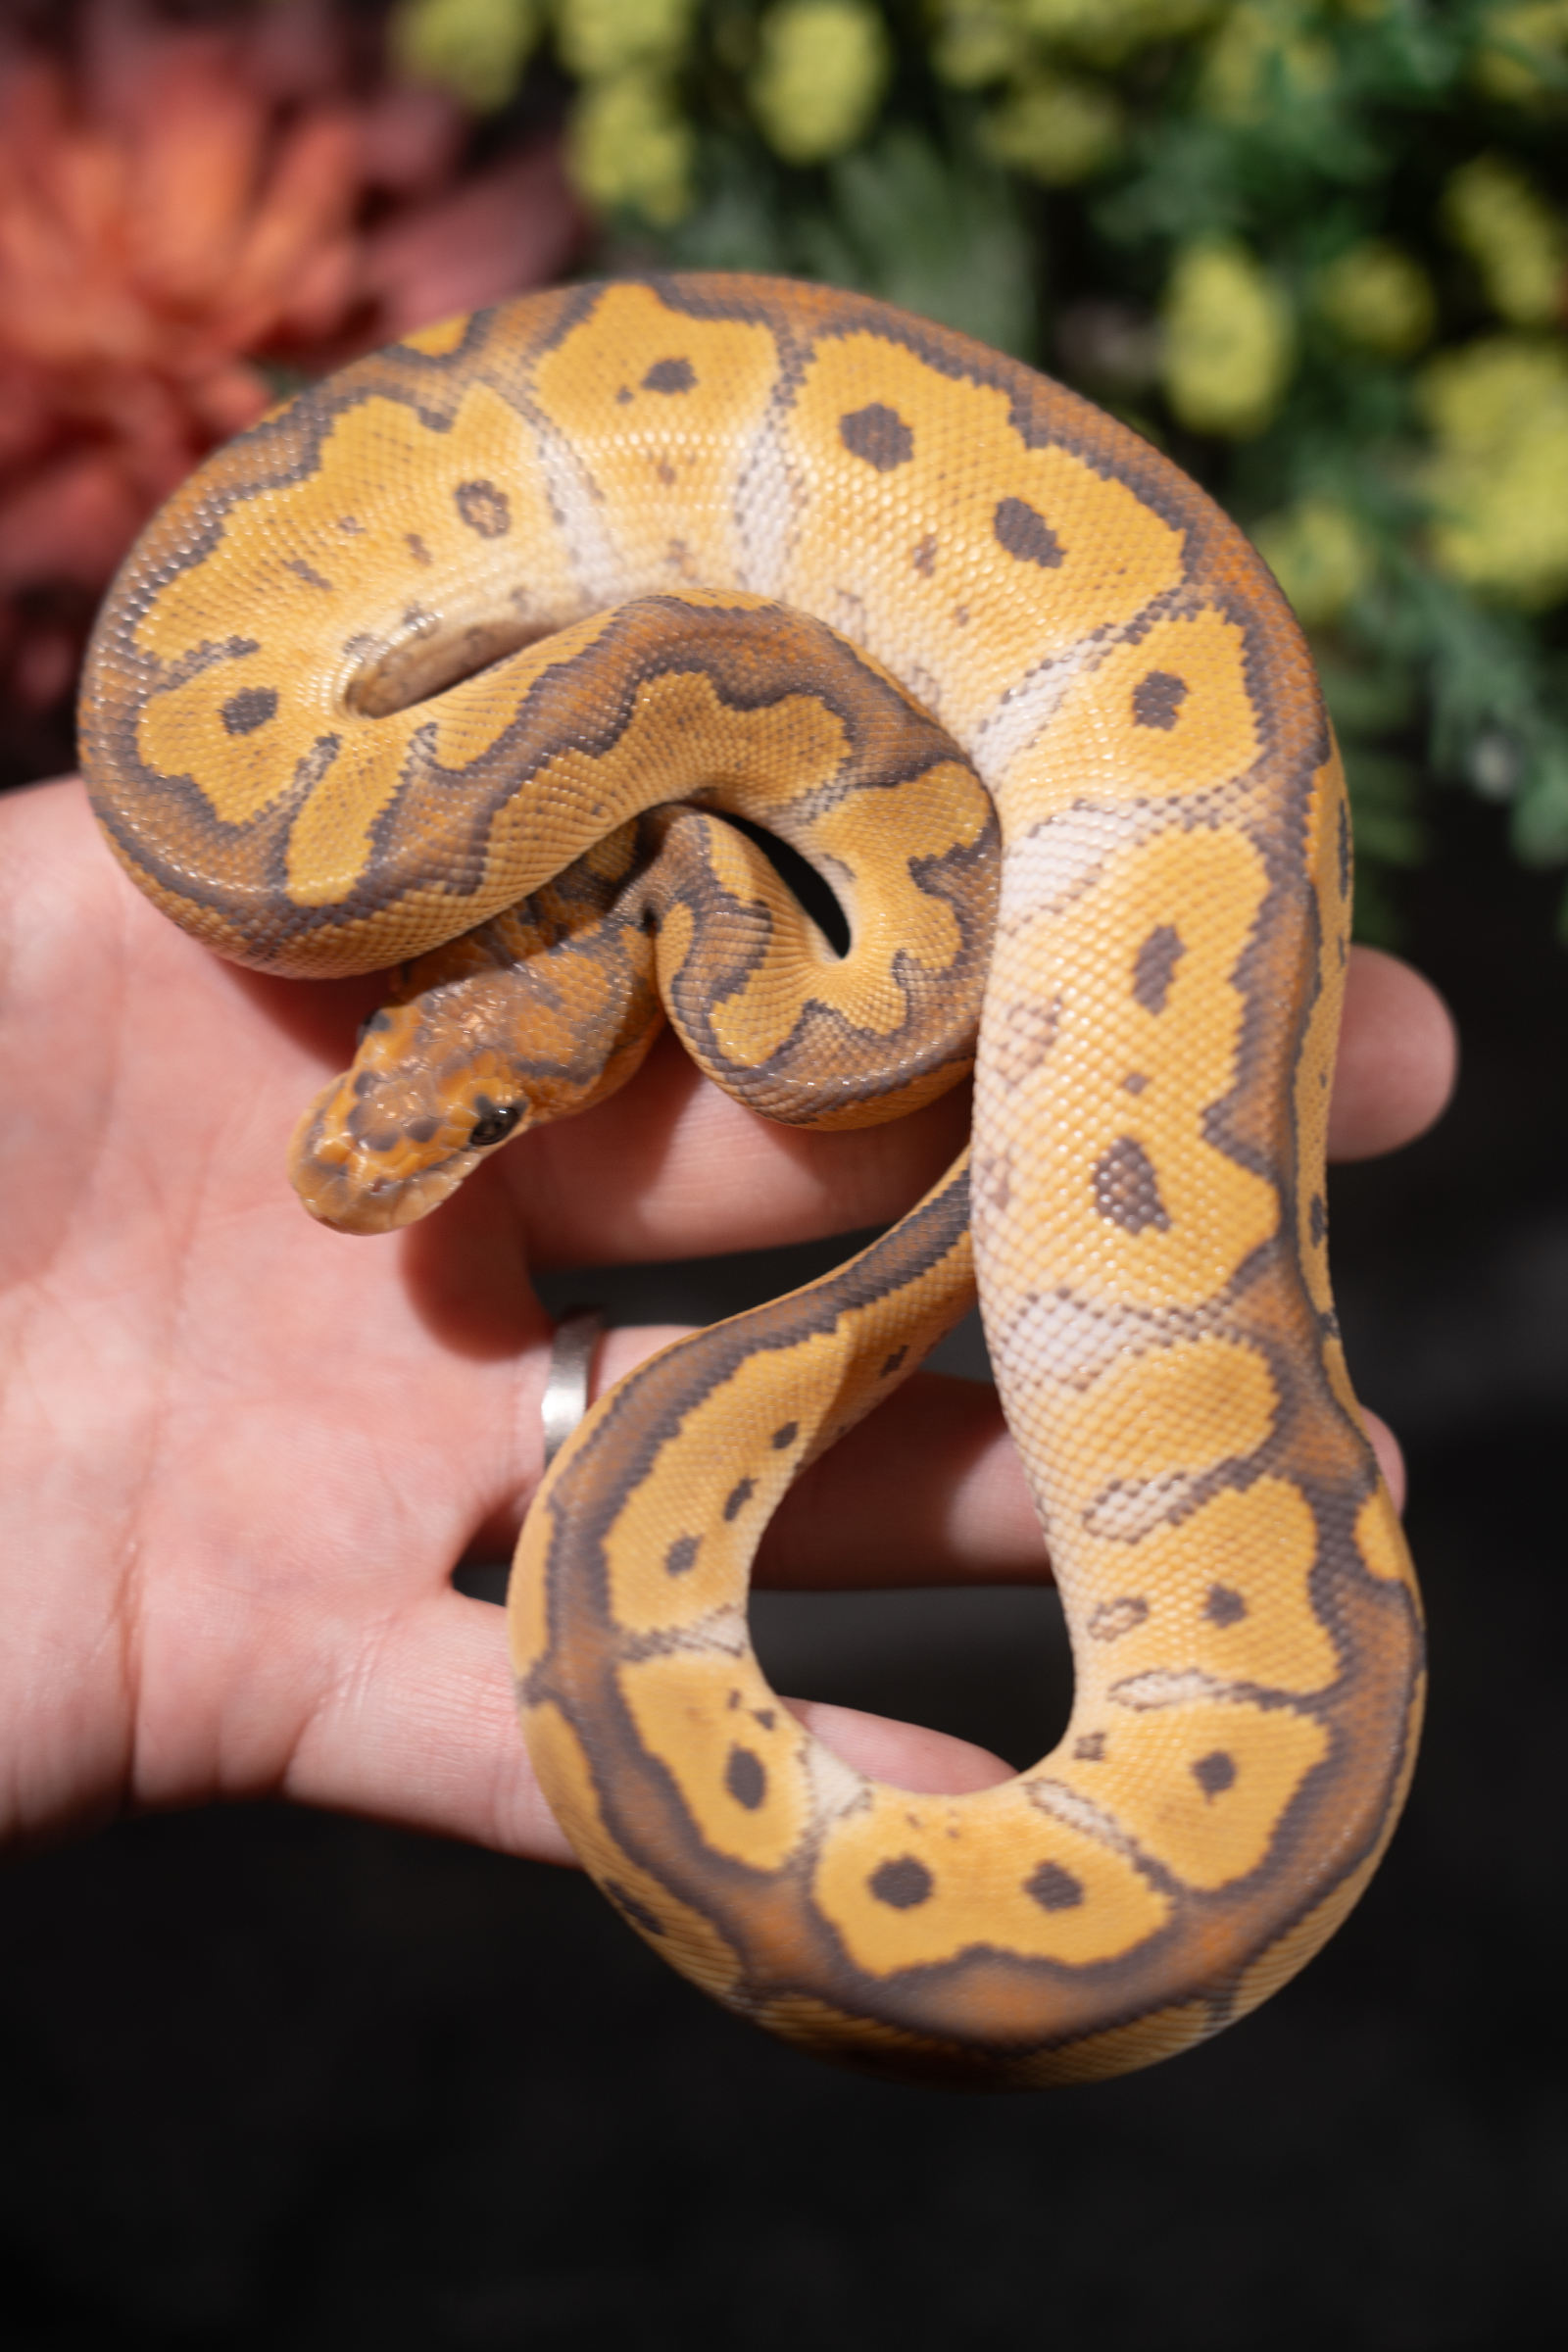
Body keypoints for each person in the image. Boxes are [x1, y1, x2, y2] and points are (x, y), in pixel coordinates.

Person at [0, 776, 1458, 1862]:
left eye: (486, 1122)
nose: (352, 1163)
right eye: (391, 1054)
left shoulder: (751, 977)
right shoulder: (644, 923)